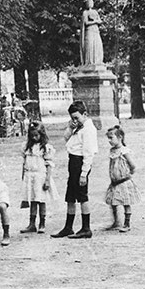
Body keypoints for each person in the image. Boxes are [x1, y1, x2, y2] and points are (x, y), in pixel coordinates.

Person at [53, 100, 98, 240]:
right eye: (72, 118)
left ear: (85, 114)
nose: (74, 120)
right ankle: (68, 227)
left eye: (77, 118)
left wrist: (84, 173)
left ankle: (86, 228)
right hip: (73, 162)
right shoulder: (77, 127)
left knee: (82, 195)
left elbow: (89, 153)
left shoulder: (89, 129)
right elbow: (67, 140)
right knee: (70, 195)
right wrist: (70, 127)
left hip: (80, 164)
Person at [20, 121, 54, 233]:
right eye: (32, 136)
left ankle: (42, 223)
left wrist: (47, 180)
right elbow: (24, 163)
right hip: (30, 176)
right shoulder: (27, 147)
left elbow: (49, 165)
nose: (34, 138)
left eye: (37, 135)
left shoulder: (45, 148)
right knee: (33, 200)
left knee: (41, 200)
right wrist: (23, 176)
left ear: (42, 134)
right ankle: (31, 224)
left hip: (40, 176)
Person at [104, 125, 138, 232]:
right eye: (108, 138)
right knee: (113, 202)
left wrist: (129, 172)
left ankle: (127, 223)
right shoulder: (112, 151)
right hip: (114, 182)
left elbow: (132, 164)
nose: (109, 141)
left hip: (123, 181)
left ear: (120, 137)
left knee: (125, 202)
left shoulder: (124, 151)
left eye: (111, 138)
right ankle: (116, 221)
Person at [80, 0, 105, 65]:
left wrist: (96, 21)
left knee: (97, 44)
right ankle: (89, 61)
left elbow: (100, 21)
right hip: (89, 31)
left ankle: (97, 61)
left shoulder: (95, 12)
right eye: (89, 3)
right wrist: (94, 22)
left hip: (96, 31)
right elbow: (86, 23)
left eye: (92, 2)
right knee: (90, 45)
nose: (91, 4)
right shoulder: (85, 12)